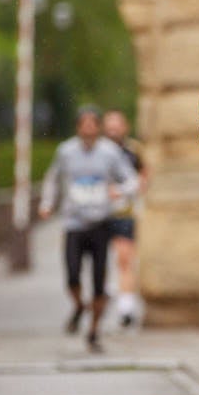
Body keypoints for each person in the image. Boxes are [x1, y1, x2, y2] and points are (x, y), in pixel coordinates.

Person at [39, 105, 139, 352]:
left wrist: (120, 191)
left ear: (98, 127)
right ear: (77, 127)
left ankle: (94, 332)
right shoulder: (66, 151)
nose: (88, 128)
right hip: (73, 223)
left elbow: (131, 180)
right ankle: (79, 306)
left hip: (100, 223)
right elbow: (52, 178)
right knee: (72, 275)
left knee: (98, 281)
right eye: (83, 124)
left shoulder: (110, 153)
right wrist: (47, 203)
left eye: (92, 123)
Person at [102, 109, 147, 328]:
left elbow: (144, 176)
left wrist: (128, 192)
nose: (113, 130)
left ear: (124, 127)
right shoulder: (97, 151)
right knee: (101, 260)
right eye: (109, 125)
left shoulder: (133, 150)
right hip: (97, 213)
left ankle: (126, 306)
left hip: (123, 212)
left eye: (116, 125)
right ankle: (107, 294)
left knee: (124, 258)